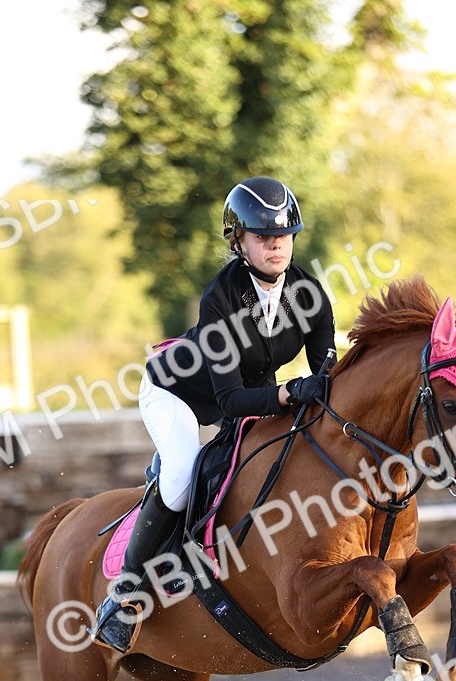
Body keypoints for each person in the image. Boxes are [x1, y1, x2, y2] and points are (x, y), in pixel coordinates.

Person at [91, 175, 336, 654]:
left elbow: (326, 372)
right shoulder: (219, 298)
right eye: (264, 237)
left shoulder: (309, 294)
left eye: (284, 236)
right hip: (177, 391)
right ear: (238, 241)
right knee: (183, 469)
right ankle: (125, 595)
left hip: (253, 390)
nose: (276, 246)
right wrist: (289, 392)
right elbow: (229, 403)